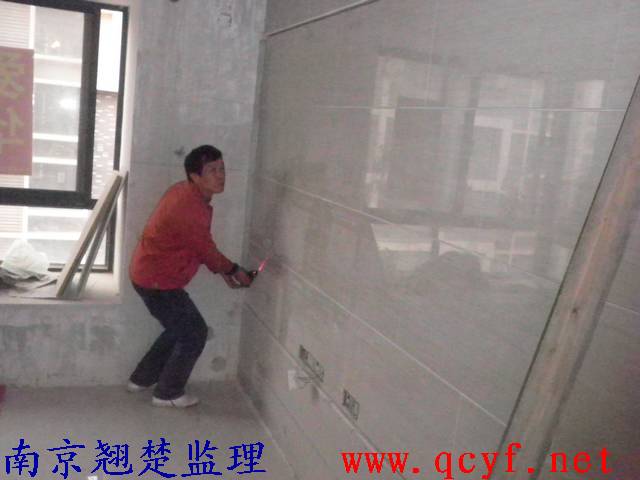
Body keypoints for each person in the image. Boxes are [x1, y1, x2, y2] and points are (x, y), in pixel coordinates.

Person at [128, 145, 253, 408]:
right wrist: (233, 270)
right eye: (212, 170)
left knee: (179, 328)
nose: (221, 175)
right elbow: (204, 246)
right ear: (195, 176)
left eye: (222, 169)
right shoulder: (189, 206)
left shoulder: (186, 193)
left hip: (151, 273)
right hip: (158, 280)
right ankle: (168, 393)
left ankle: (142, 379)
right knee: (194, 332)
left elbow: (198, 245)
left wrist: (223, 270)